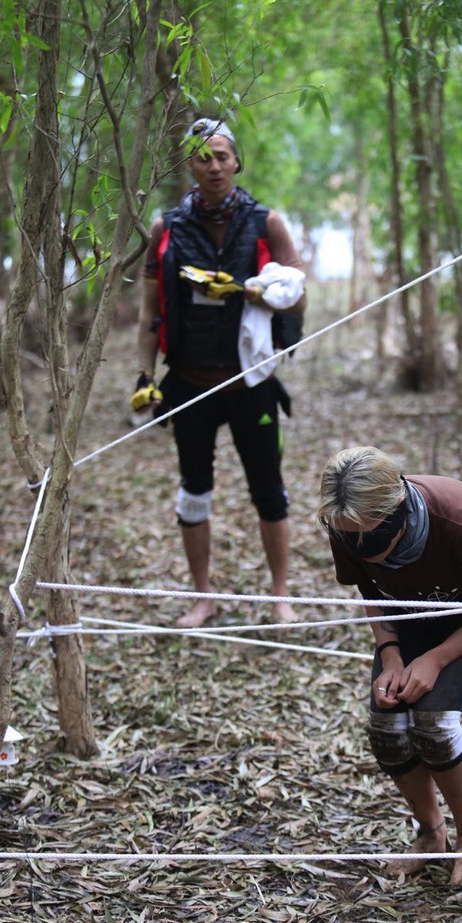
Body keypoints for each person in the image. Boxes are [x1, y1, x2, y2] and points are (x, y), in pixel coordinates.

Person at [316, 446, 462, 884]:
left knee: (433, 720)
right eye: (347, 538)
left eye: (373, 540)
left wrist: (436, 658)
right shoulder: (347, 520)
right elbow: (370, 588)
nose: (364, 550)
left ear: (398, 511)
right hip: (411, 615)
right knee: (387, 723)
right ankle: (430, 835)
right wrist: (391, 652)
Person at [133, 118, 305, 628]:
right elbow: (148, 314)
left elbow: (297, 290)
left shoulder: (266, 222)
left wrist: (251, 291)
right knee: (193, 490)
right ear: (190, 164)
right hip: (187, 381)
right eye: (203, 157)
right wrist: (144, 376)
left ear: (237, 162)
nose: (213, 166)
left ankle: (280, 597)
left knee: (268, 490)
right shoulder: (166, 228)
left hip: (250, 381)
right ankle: (203, 597)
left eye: (223, 156)